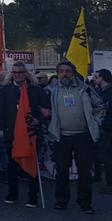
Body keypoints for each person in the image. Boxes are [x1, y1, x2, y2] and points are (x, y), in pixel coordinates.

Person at [46, 61, 104, 214]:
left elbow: (100, 107)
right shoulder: (51, 91)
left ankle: (85, 202)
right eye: (61, 71)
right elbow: (43, 110)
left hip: (83, 136)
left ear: (73, 73)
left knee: (85, 172)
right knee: (61, 171)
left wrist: (95, 124)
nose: (65, 74)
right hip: (61, 137)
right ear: (57, 73)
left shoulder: (86, 89)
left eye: (68, 71)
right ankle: (61, 200)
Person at [0, 62, 51, 207]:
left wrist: (39, 120)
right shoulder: (4, 91)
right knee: (12, 166)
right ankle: (12, 194)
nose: (18, 75)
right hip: (11, 134)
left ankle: (33, 196)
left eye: (21, 72)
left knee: (32, 166)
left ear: (26, 73)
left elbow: (47, 111)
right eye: (15, 72)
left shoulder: (36, 90)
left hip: (32, 133)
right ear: (12, 73)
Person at [95, 68, 112, 194]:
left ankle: (110, 185)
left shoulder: (108, 92)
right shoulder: (100, 91)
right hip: (105, 127)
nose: (94, 79)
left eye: (96, 76)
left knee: (107, 157)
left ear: (102, 78)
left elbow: (105, 108)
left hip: (108, 128)